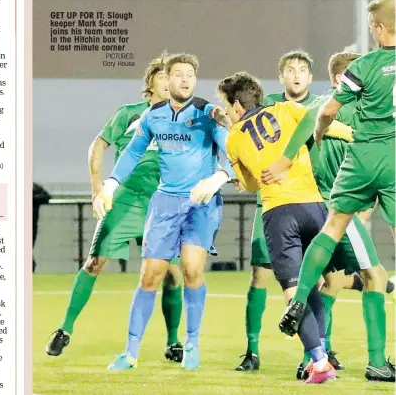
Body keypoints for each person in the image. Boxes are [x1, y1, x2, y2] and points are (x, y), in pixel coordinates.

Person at [279, 0, 396, 382]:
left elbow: (325, 111)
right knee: (377, 274)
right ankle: (377, 360)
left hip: (361, 158)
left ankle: (297, 302)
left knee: (333, 226)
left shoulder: (363, 67)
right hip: (395, 158)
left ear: (378, 29)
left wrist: (319, 132)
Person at [93, 53, 234, 371]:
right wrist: (112, 184)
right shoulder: (153, 117)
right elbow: (132, 151)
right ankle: (130, 353)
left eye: (190, 75)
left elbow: (234, 153)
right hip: (165, 204)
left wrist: (218, 177)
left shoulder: (208, 115)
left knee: (191, 269)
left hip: (200, 204)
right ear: (166, 80)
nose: (185, 80)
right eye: (179, 74)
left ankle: (192, 343)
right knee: (149, 276)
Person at [217, 71, 354, 384]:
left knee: (294, 291)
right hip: (314, 206)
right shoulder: (289, 110)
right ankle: (316, 359)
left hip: (279, 213)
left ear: (238, 106)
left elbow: (252, 184)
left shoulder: (234, 135)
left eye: (227, 106)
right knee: (312, 285)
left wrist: (245, 179)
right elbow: (327, 125)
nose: (226, 111)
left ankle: (319, 363)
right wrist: (357, 135)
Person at [45, 55, 184, 363]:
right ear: (151, 83)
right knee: (95, 262)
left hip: (162, 204)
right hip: (126, 200)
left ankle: (174, 341)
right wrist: (97, 189)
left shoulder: (183, 119)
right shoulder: (130, 114)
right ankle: (64, 330)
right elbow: (97, 145)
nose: (170, 82)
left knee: (173, 275)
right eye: (164, 76)